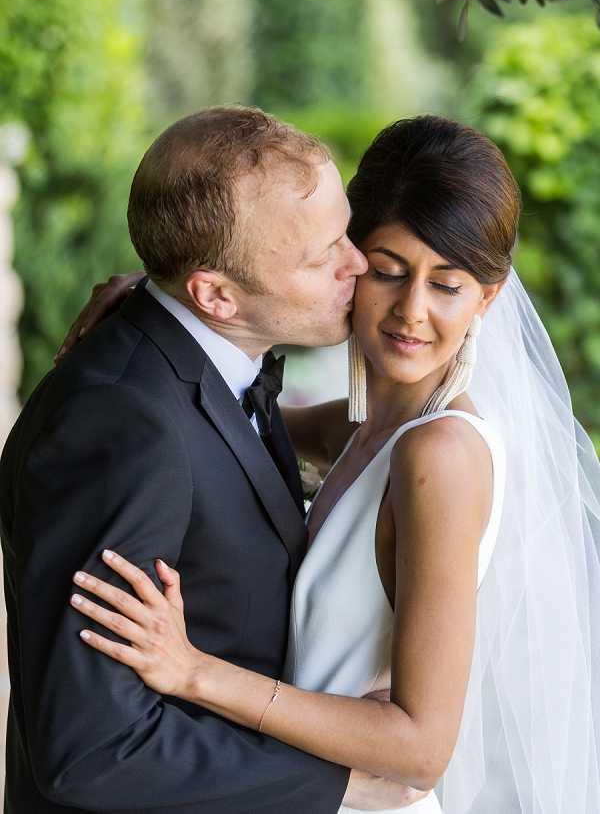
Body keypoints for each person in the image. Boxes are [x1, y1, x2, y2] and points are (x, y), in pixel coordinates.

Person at [64, 116, 600, 813]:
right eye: (389, 271)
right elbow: (225, 424)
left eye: (448, 285)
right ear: (348, 263)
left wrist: (195, 672)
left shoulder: (440, 455)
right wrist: (165, 300)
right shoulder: (363, 421)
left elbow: (420, 746)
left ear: (487, 299)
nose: (412, 312)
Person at [1, 106, 420, 813]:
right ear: (215, 293)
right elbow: (93, 749)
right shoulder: (119, 426)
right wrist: (337, 783)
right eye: (324, 255)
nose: (359, 262)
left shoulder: (198, 356)